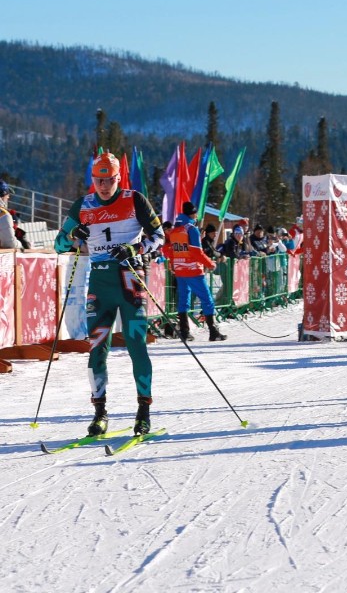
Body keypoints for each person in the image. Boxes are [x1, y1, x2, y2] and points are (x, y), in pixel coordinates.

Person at [53, 152, 165, 436]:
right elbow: (59, 245)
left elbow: (159, 236)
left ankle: (143, 412)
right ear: (93, 179)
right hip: (100, 285)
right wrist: (71, 236)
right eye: (99, 180)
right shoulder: (83, 205)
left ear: (119, 178)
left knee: (136, 346)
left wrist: (136, 248)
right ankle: (100, 413)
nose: (104, 186)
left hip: (130, 282)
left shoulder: (135, 199)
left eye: (109, 180)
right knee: (96, 350)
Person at [164, 202, 227, 343]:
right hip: (193, 270)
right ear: (192, 214)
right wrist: (210, 264)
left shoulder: (175, 230)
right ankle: (213, 331)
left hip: (180, 270)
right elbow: (196, 251)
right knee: (207, 299)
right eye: (196, 213)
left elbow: (170, 250)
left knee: (183, 300)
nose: (197, 215)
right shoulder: (191, 229)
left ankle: (185, 332)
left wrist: (173, 264)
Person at [0, 180, 20, 250]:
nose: (8, 197)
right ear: (2, 196)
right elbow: (10, 244)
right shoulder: (4, 215)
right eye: (7, 195)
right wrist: (21, 244)